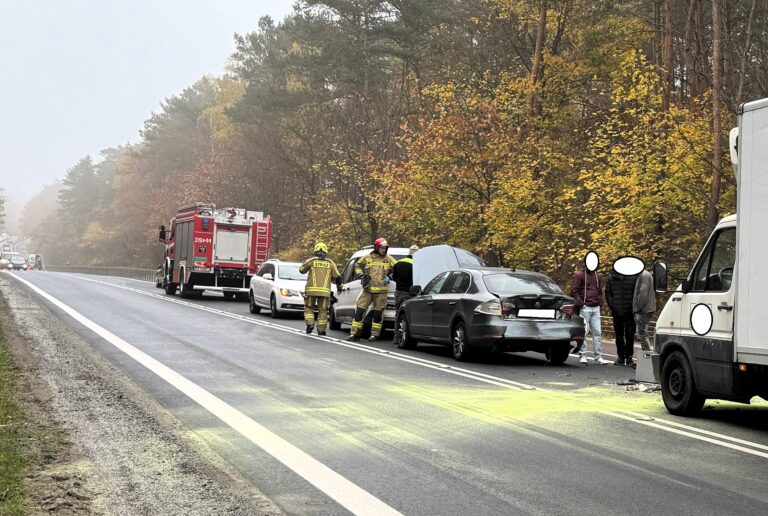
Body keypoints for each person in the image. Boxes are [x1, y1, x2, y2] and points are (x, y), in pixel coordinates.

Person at [348, 238, 397, 342]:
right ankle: (355, 334)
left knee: (378, 314)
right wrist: (361, 275)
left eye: (385, 248)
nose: (384, 250)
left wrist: (390, 276)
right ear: (377, 248)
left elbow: (398, 268)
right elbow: (357, 265)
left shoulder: (389, 259)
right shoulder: (367, 257)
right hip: (367, 290)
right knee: (359, 311)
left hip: (381, 292)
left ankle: (374, 335)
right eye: (382, 248)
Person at [570, 262, 611, 365]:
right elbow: (574, 291)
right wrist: (581, 304)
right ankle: (583, 355)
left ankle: (598, 357)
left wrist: (600, 303)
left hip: (595, 307)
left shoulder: (597, 275)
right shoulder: (579, 275)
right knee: (584, 332)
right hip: (585, 307)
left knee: (597, 333)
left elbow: (599, 290)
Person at [300, 242, 342, 336]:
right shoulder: (330, 263)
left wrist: (309, 261)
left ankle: (310, 323)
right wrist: (339, 288)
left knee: (308, 307)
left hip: (311, 291)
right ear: (326, 252)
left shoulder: (311, 261)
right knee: (323, 310)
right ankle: (321, 330)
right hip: (325, 292)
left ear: (315, 251)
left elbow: (301, 270)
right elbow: (338, 278)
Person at [605, 263, 638, 366]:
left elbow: (636, 293)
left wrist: (634, 307)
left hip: (630, 312)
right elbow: (608, 293)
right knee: (619, 336)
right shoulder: (611, 279)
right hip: (617, 312)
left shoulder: (633, 278)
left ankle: (629, 357)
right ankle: (620, 357)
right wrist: (613, 306)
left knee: (630, 335)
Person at [391, 245, 419, 342]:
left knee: (398, 315)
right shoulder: (416, 265)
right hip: (411, 293)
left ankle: (396, 338)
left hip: (399, 292)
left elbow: (394, 277)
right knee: (408, 317)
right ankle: (406, 338)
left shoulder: (398, 263)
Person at [633, 266, 657, 351]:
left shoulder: (643, 275)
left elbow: (643, 294)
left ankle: (647, 354)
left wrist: (637, 308)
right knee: (643, 333)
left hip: (644, 309)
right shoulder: (645, 274)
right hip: (647, 308)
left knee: (643, 333)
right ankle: (646, 354)